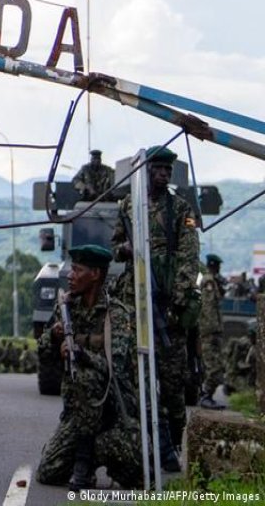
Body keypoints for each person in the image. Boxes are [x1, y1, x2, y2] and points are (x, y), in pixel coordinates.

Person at [110, 145, 199, 472]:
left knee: (173, 383)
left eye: (167, 171)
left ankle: (176, 441)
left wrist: (178, 297)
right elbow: (115, 248)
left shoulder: (180, 208)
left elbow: (189, 257)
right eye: (158, 169)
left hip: (168, 305)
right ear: (146, 171)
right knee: (137, 378)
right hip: (136, 301)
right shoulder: (128, 206)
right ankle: (148, 446)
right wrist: (127, 249)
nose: (163, 175)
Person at [36, 245, 142, 490]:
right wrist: (53, 338)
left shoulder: (116, 314)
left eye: (78, 270)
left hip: (113, 415)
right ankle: (80, 460)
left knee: (137, 474)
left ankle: (86, 460)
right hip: (77, 415)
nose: (70, 275)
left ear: (95, 274)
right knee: (48, 472)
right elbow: (42, 356)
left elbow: (115, 368)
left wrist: (81, 354)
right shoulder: (65, 308)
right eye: (72, 269)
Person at [198, 254, 228, 410]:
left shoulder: (212, 281)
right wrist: (213, 331)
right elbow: (208, 308)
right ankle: (206, 396)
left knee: (215, 365)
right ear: (214, 265)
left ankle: (207, 395)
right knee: (214, 366)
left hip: (212, 331)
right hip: (210, 332)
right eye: (218, 266)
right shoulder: (209, 281)